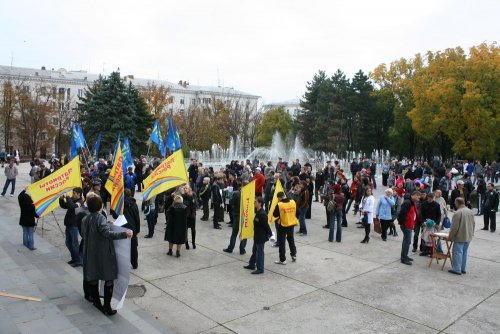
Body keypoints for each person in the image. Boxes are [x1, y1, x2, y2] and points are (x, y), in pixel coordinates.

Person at [82, 196, 132, 315]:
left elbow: (86, 233)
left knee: (93, 277)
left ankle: (97, 303)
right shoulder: (99, 217)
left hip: (90, 252)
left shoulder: (86, 218)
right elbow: (107, 233)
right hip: (102, 253)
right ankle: (107, 307)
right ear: (100, 206)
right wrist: (124, 234)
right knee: (109, 278)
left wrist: (106, 222)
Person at [244, 197, 272, 274]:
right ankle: (252, 264)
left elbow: (266, 225)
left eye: (255, 202)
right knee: (255, 250)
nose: (254, 203)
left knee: (259, 252)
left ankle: (260, 269)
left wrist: (270, 234)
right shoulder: (258, 212)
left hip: (261, 236)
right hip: (257, 235)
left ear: (260, 203)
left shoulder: (262, 214)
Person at [448, 198, 475, 275]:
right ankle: (463, 268)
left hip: (460, 236)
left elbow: (454, 228)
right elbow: (473, 224)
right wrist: (471, 233)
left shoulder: (457, 213)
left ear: (457, 203)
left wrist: (450, 236)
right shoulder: (470, 211)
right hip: (468, 235)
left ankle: (457, 269)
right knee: (464, 252)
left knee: (457, 252)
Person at [60, 188, 84, 267]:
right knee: (68, 243)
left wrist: (67, 197)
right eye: (73, 193)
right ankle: (74, 258)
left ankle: (78, 260)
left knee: (74, 243)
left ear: (79, 194)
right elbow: (64, 206)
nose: (73, 194)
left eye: (74, 193)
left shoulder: (80, 201)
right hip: (68, 224)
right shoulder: (73, 200)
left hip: (74, 225)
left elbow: (73, 207)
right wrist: (61, 199)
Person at [223, 178, 248, 254]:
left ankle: (230, 248)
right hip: (245, 215)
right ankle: (242, 249)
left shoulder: (237, 193)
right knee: (244, 233)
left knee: (234, 233)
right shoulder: (249, 194)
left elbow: (230, 202)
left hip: (237, 215)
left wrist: (229, 196)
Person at [273, 191, 298, 265]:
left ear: (279, 198)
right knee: (291, 239)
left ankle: (282, 259)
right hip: (291, 223)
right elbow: (297, 213)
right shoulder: (293, 202)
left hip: (283, 225)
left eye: (278, 199)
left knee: (282, 242)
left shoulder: (279, 204)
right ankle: (294, 255)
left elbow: (275, 214)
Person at [398, 191, 420, 265]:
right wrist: (402, 223)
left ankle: (405, 256)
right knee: (407, 242)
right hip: (406, 225)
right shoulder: (407, 202)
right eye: (417, 196)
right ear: (413, 195)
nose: (418, 198)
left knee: (407, 241)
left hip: (410, 225)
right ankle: (404, 258)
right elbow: (401, 213)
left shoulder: (411, 202)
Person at [122, 189, 141, 268]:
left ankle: (124, 263)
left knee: (123, 247)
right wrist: (137, 229)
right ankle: (134, 264)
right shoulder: (134, 204)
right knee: (133, 247)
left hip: (123, 227)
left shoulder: (121, 204)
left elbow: (115, 215)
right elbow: (137, 217)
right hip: (132, 228)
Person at [183, 185, 197, 249]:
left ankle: (193, 243)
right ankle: (186, 243)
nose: (185, 189)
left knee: (193, 229)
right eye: (184, 188)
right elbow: (184, 204)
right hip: (185, 215)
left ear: (189, 189)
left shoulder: (193, 194)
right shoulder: (183, 195)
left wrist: (193, 201)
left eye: (186, 188)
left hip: (192, 215)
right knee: (185, 230)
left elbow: (196, 204)